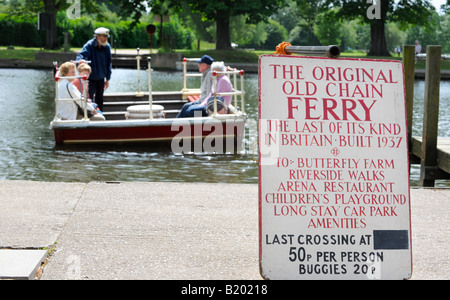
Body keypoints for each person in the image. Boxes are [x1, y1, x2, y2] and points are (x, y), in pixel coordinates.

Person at [76, 27, 112, 111]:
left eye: (107, 37)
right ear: (98, 36)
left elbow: (109, 63)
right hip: (91, 78)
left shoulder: (107, 46)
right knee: (89, 98)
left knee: (100, 99)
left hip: (101, 78)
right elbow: (80, 55)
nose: (106, 39)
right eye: (104, 36)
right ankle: (90, 115)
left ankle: (100, 115)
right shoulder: (89, 45)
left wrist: (108, 79)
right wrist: (80, 61)